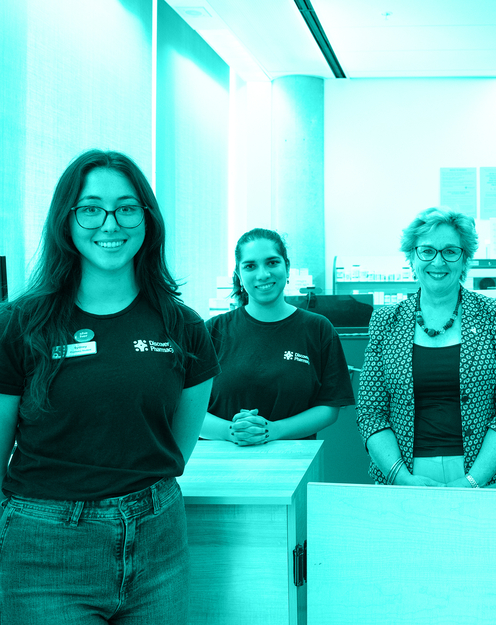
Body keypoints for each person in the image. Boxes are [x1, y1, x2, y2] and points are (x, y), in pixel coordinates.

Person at [0, 150, 220, 623]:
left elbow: (173, 449)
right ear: (67, 219)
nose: (110, 223)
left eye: (126, 207)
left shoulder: (184, 327)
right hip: (45, 548)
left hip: (158, 539)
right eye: (91, 208)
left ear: (147, 218)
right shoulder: (19, 325)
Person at [357, 208, 496, 488]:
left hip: (487, 474)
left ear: (464, 259)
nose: (438, 261)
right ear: (412, 258)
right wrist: (401, 477)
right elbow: (370, 410)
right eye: (426, 251)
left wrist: (474, 480)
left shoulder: (495, 315)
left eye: (450, 251)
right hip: (405, 474)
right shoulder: (386, 320)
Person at [201, 228, 354, 444]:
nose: (263, 274)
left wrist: (274, 430)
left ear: (287, 267)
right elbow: (187, 406)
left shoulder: (318, 329)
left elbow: (329, 407)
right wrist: (231, 431)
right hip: (221, 464)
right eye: (250, 266)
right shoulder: (213, 331)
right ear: (238, 274)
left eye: (272, 262)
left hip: (295, 462)